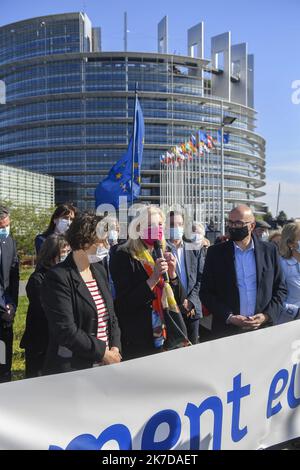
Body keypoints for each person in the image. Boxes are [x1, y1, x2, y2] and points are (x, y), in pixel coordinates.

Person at [40, 211, 121, 375]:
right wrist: (103, 353)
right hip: (74, 369)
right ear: (85, 241)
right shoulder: (58, 277)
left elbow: (111, 317)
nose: (107, 245)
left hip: (107, 365)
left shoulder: (99, 271)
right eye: (102, 240)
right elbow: (66, 330)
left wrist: (115, 348)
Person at [110, 205, 187, 361]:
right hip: (139, 337)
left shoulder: (162, 252)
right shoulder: (123, 255)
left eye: (159, 224)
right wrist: (153, 278)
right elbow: (124, 303)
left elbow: (179, 300)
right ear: (138, 228)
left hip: (167, 333)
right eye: (150, 225)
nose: (157, 229)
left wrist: (172, 274)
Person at [200, 205, 287, 339]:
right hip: (226, 331)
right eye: (231, 222)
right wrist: (229, 317)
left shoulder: (270, 251)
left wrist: (266, 316)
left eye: (239, 223)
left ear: (251, 226)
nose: (233, 226)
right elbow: (206, 293)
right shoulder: (215, 253)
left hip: (263, 330)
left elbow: (280, 289)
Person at [20, 235, 70, 378]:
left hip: (58, 343)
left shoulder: (65, 275)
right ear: (51, 254)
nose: (65, 256)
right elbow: (47, 310)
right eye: (62, 253)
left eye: (68, 252)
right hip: (40, 343)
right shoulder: (38, 279)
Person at [166, 211, 203, 344]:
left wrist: (191, 301)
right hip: (171, 311)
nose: (176, 228)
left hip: (192, 310)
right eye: (171, 224)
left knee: (194, 350)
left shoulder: (194, 248)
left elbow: (201, 278)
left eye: (180, 224)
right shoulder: (160, 250)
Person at [0, 206, 19, 383]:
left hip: (6, 306)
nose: (4, 229)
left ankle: (4, 377)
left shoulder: (10, 242)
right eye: (1, 226)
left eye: (6, 225)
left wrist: (12, 304)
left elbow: (14, 277)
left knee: (4, 346)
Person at [276, 223, 300, 324]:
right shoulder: (280, 265)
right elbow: (273, 298)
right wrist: (295, 311)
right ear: (290, 243)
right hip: (286, 324)